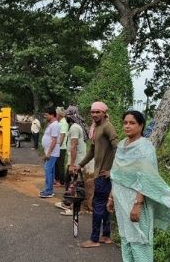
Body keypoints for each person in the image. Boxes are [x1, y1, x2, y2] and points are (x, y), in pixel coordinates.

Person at [110, 110, 170, 261]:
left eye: (132, 123)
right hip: (121, 199)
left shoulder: (145, 148)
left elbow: (146, 178)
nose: (127, 126)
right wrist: (111, 197)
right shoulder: (121, 145)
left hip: (137, 200)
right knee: (126, 237)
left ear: (141, 126)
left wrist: (137, 204)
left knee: (140, 239)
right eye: (125, 123)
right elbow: (116, 174)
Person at [75, 100, 119, 248]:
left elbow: (117, 148)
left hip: (104, 174)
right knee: (104, 204)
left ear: (104, 113)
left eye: (97, 112)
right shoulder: (96, 128)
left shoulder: (107, 127)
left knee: (98, 204)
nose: (94, 114)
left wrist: (113, 170)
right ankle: (106, 236)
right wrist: (80, 165)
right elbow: (92, 151)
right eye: (93, 112)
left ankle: (94, 239)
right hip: (100, 173)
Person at [59, 105, 90, 216]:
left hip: (76, 162)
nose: (66, 116)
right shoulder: (76, 126)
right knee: (71, 184)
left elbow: (73, 146)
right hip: (76, 160)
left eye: (67, 114)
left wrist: (72, 165)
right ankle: (68, 204)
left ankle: (75, 209)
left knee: (75, 185)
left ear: (71, 115)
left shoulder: (74, 128)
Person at [40, 108, 61, 198]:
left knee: (48, 170)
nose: (45, 116)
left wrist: (48, 153)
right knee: (50, 171)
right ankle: (49, 190)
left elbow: (54, 140)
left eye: (46, 115)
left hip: (52, 153)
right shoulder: (51, 124)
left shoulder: (55, 125)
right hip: (50, 152)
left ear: (52, 115)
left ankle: (48, 191)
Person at [56, 104, 71, 188]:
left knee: (60, 165)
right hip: (58, 147)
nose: (56, 115)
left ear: (59, 115)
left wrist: (58, 146)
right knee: (57, 165)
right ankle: (58, 180)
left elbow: (62, 135)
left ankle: (62, 182)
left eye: (57, 114)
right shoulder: (60, 122)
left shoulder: (64, 123)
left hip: (61, 148)